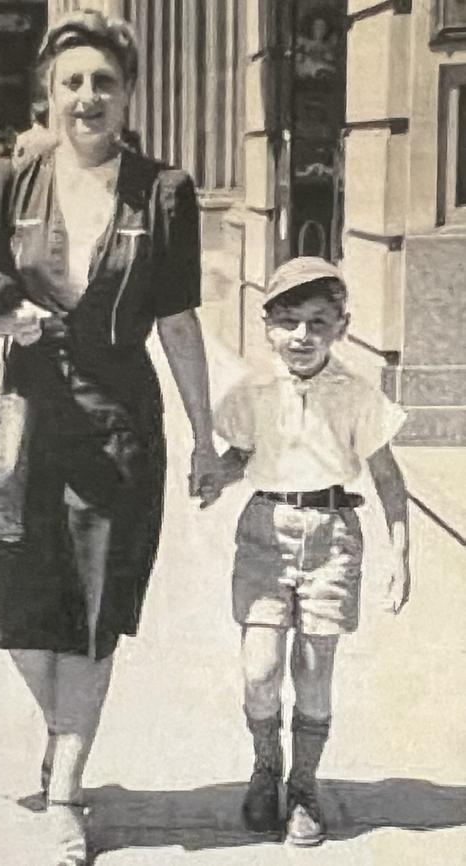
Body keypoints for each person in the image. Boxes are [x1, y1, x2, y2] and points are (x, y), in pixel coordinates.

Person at [0, 10, 218, 864]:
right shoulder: (10, 178)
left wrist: (206, 437)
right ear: (48, 92)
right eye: (71, 81)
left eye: (103, 81)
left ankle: (66, 792)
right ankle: (64, 729)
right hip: (25, 424)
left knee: (96, 619)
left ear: (127, 91)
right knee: (19, 621)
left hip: (119, 430)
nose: (87, 97)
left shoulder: (164, 190)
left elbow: (178, 323)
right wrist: (3, 316)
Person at [205, 256, 411, 846]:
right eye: (289, 321)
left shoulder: (357, 396)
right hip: (265, 532)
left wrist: (400, 556)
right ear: (267, 324)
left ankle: (302, 787)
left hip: (333, 534)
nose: (302, 336)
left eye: (319, 323)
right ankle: (265, 766)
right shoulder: (252, 392)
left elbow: (389, 479)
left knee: (314, 672)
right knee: (261, 668)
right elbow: (239, 454)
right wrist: (213, 476)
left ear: (341, 328)